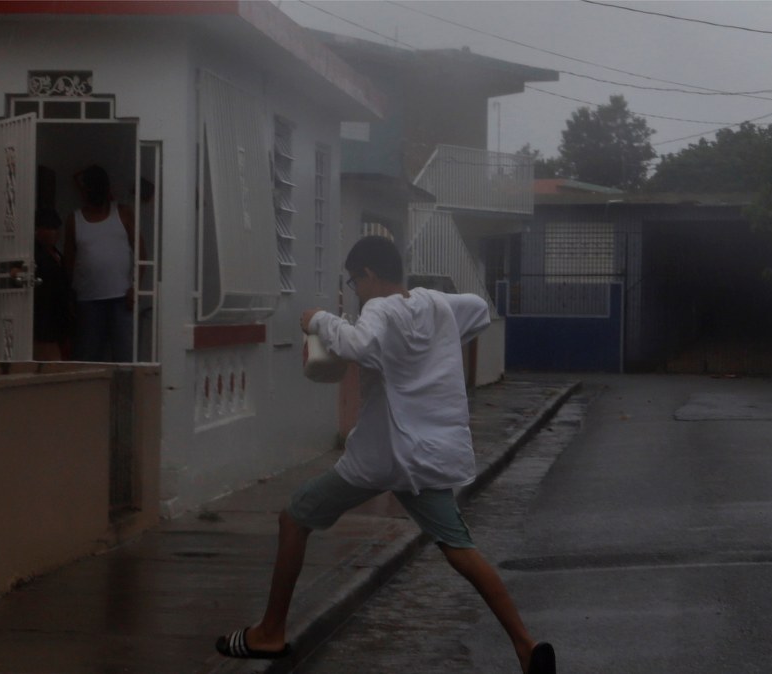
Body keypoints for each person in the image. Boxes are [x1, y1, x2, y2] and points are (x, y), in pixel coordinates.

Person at [214, 236, 555, 674]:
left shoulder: (379, 310)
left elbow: (358, 346)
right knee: (459, 547)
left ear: (370, 274)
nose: (356, 291)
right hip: (427, 457)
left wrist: (318, 319)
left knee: (294, 517)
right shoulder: (435, 304)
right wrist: (433, 344)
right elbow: (477, 309)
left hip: (382, 456)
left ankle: (269, 632)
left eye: (355, 282)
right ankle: (526, 646)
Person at [63, 165, 135, 362]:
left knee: (124, 357)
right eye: (91, 187)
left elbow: (141, 253)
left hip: (121, 299)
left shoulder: (124, 213)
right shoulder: (74, 219)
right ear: (85, 190)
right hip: (88, 301)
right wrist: (71, 294)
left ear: (107, 188)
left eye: (99, 186)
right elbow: (69, 260)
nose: (95, 190)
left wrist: (134, 287)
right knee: (88, 357)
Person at [32, 208, 72, 361]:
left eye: (56, 228)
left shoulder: (56, 254)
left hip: (57, 316)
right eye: (49, 228)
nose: (54, 233)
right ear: (39, 230)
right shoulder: (36, 255)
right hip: (43, 316)